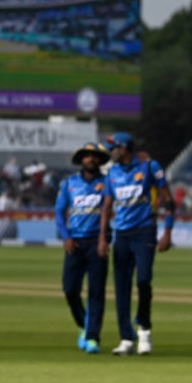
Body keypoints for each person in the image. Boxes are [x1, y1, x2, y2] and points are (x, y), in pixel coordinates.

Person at [98, 131, 175, 356]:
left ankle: (144, 330)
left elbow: (168, 200)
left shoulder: (149, 167)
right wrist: (103, 237)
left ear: (124, 148)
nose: (110, 152)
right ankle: (126, 337)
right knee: (121, 287)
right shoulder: (112, 173)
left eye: (113, 147)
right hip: (122, 234)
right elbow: (107, 207)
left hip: (144, 232)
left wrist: (168, 232)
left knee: (143, 281)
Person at [56, 142, 111, 354]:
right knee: (70, 289)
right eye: (87, 156)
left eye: (95, 156)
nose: (91, 159)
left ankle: (92, 337)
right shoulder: (70, 183)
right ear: (81, 160)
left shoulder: (107, 183)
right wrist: (66, 236)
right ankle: (83, 324)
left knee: (96, 292)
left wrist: (105, 239)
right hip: (75, 243)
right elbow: (60, 212)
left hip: (97, 242)